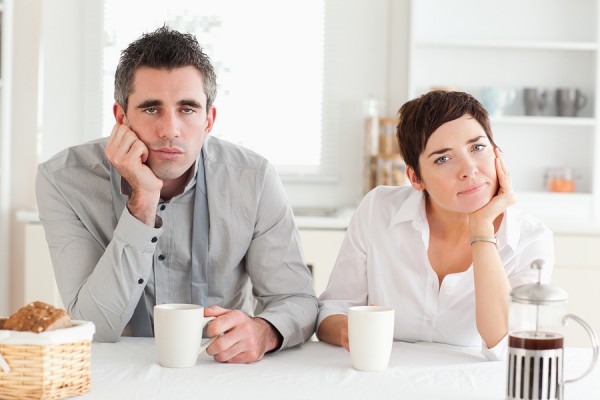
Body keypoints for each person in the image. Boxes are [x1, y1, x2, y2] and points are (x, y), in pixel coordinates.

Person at [36, 26, 318, 363]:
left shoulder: (252, 179)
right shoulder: (63, 180)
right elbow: (96, 326)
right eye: (152, 109)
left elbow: (297, 299)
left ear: (209, 120)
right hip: (117, 372)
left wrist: (265, 330)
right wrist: (142, 199)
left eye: (187, 109)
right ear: (121, 117)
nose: (170, 129)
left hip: (220, 368)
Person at [317, 90, 554, 360]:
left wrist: (482, 229)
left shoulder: (531, 239)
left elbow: (503, 345)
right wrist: (350, 330)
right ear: (415, 178)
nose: (469, 170)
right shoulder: (378, 209)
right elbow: (331, 312)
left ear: (496, 153)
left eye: (477, 147)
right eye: (443, 158)